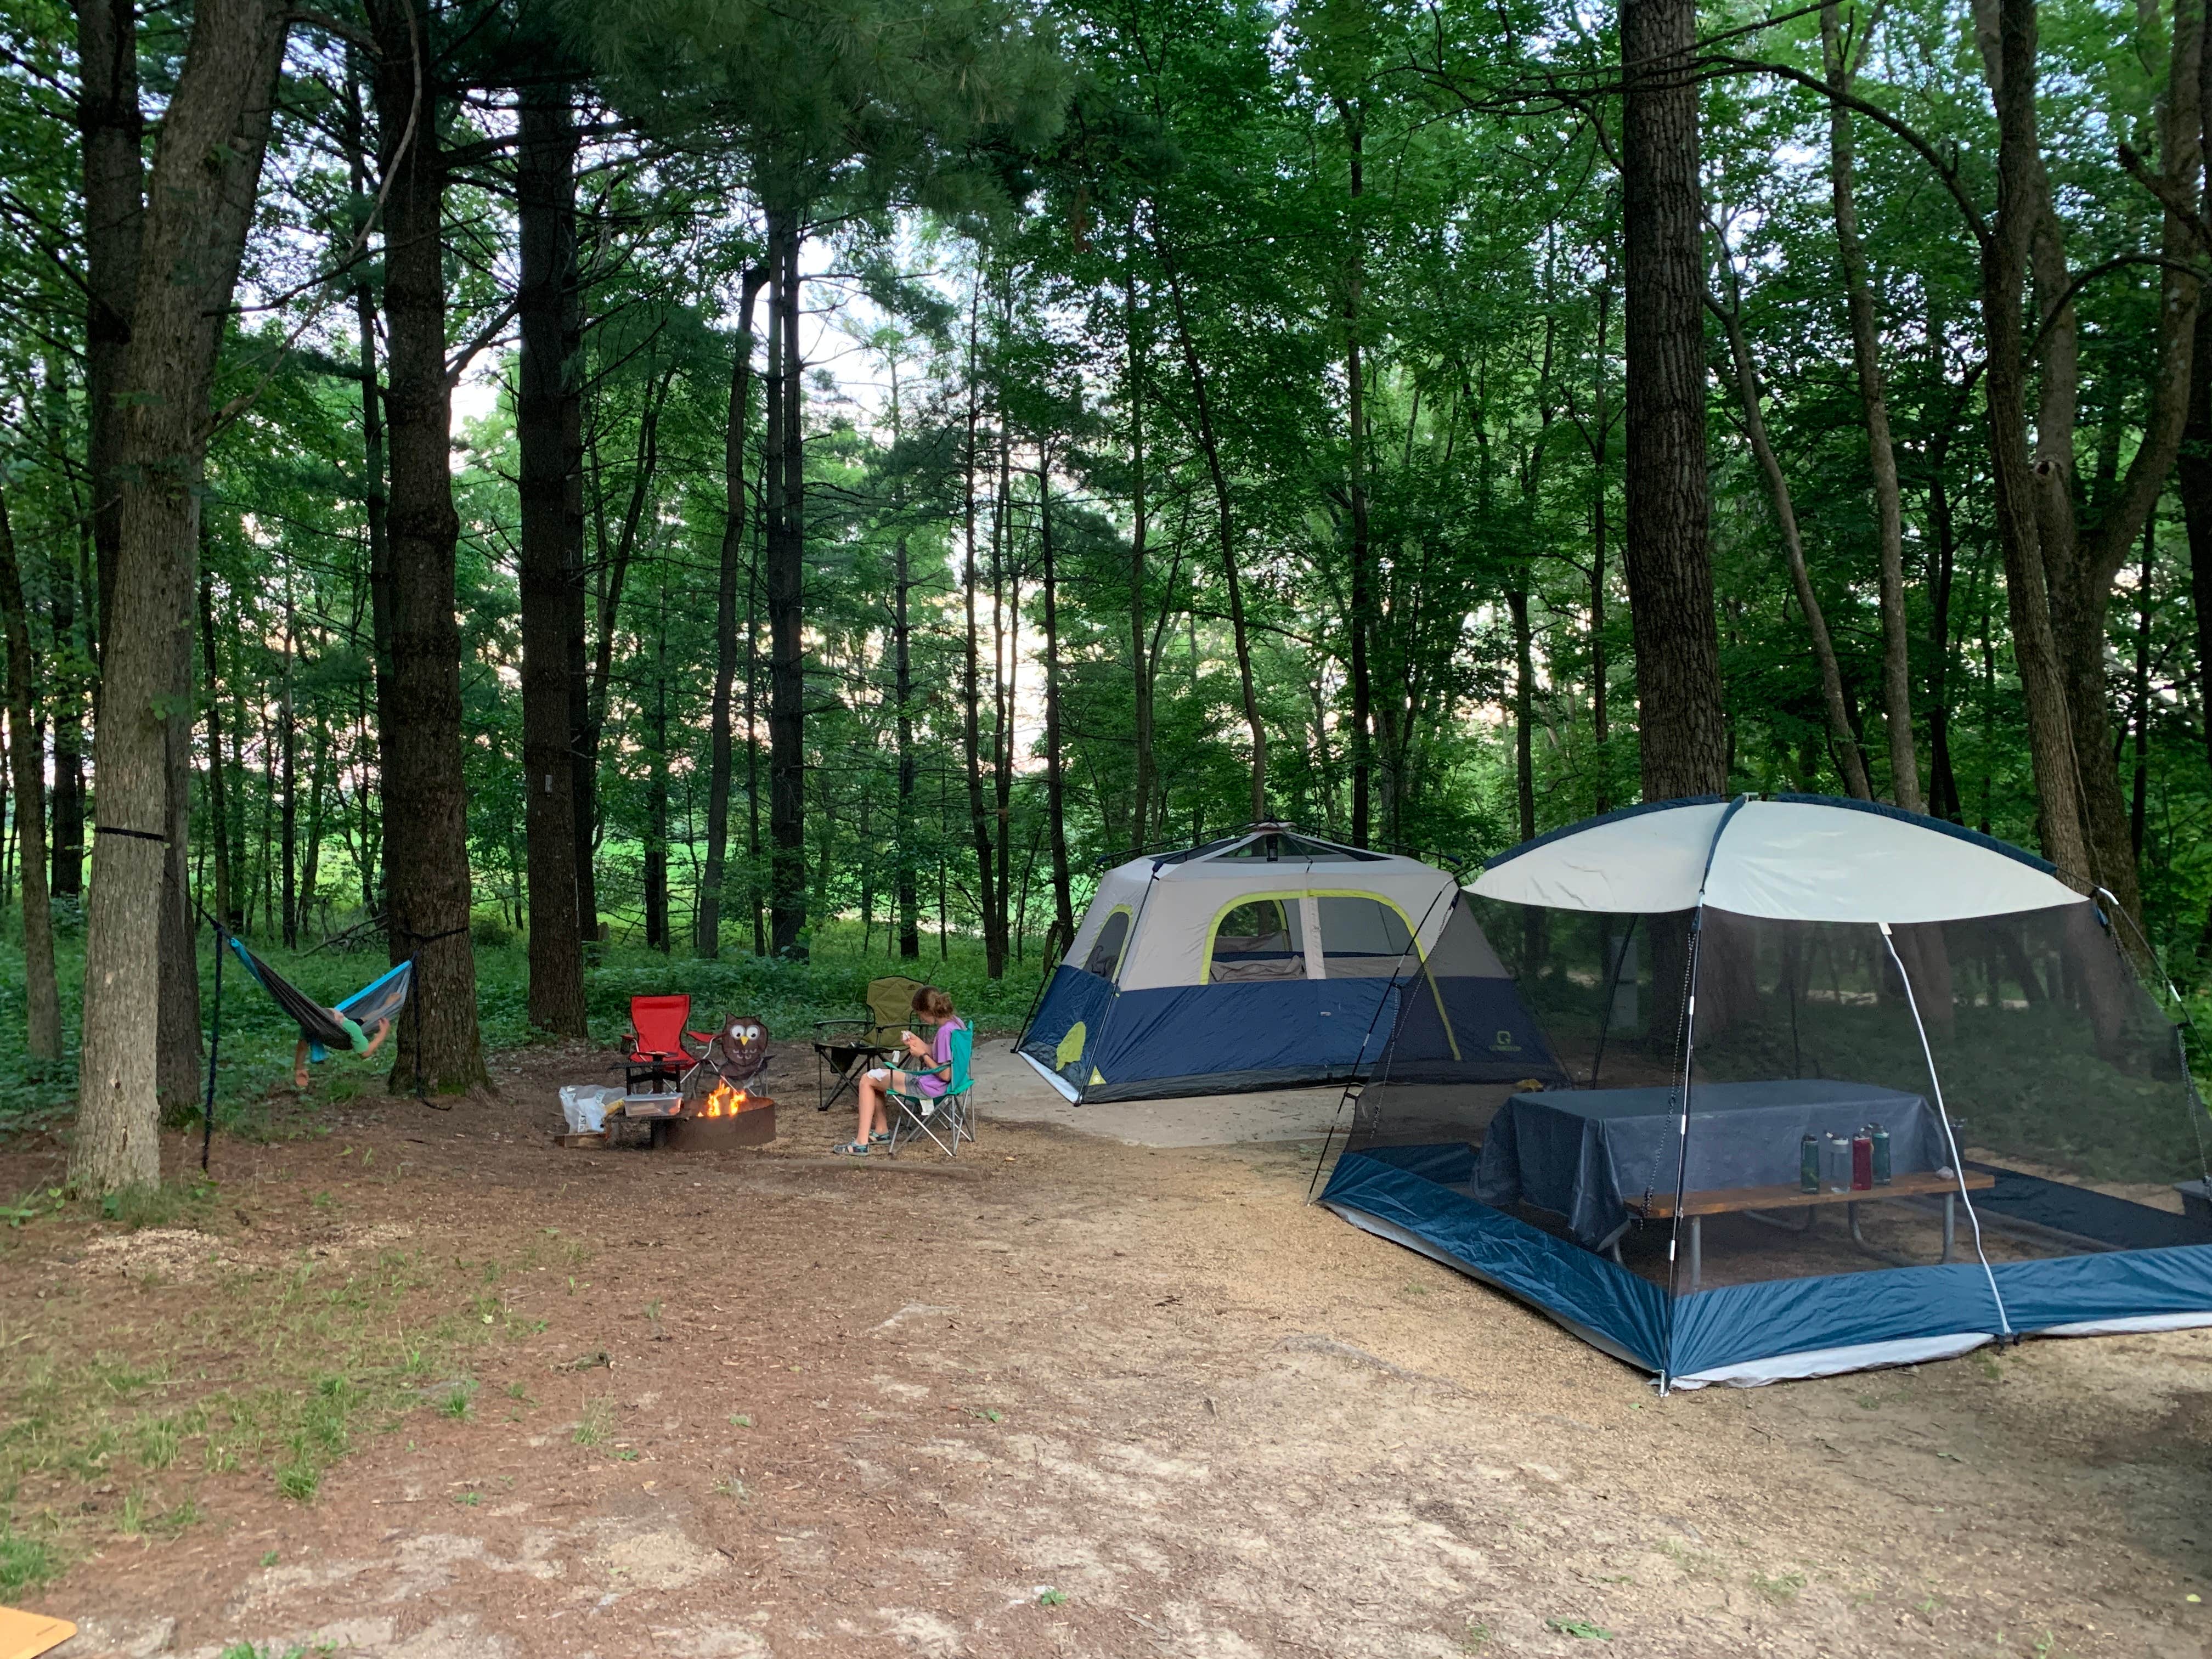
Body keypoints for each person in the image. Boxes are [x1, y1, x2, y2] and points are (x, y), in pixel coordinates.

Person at [836, 985, 964, 1155]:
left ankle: (861, 1143)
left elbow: (946, 1074)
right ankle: (881, 1131)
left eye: (919, 1014)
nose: (920, 1018)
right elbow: (945, 1057)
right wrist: (921, 1044)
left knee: (868, 1079)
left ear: (926, 1011)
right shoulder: (956, 1024)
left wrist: (923, 1055)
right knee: (877, 1079)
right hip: (951, 1085)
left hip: (931, 1088)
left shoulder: (944, 1033)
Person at [294, 1010, 392, 1090]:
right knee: (363, 1019)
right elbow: (365, 1053)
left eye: (340, 1014)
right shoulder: (312, 1025)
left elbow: (365, 1053)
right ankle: (387, 1005)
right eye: (339, 1015)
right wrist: (382, 1034)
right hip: (340, 1026)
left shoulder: (348, 1025)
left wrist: (381, 1035)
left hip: (339, 1024)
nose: (342, 1014)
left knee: (366, 1019)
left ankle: (388, 1005)